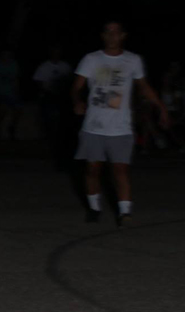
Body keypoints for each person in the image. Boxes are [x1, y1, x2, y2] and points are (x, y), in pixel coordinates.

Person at [71, 20, 169, 225]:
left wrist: (161, 107)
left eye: (116, 32)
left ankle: (125, 212)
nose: (112, 36)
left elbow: (144, 87)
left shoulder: (133, 60)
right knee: (93, 169)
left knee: (120, 169)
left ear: (123, 35)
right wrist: (77, 100)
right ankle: (94, 207)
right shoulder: (91, 59)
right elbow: (76, 87)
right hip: (94, 126)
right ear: (103, 35)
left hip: (121, 126)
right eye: (108, 32)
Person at [32, 46, 73, 167]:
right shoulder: (44, 67)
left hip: (62, 100)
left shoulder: (65, 66)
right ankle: (48, 149)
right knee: (48, 125)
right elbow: (38, 83)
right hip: (48, 98)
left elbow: (71, 82)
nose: (56, 55)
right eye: (53, 52)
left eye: (58, 52)